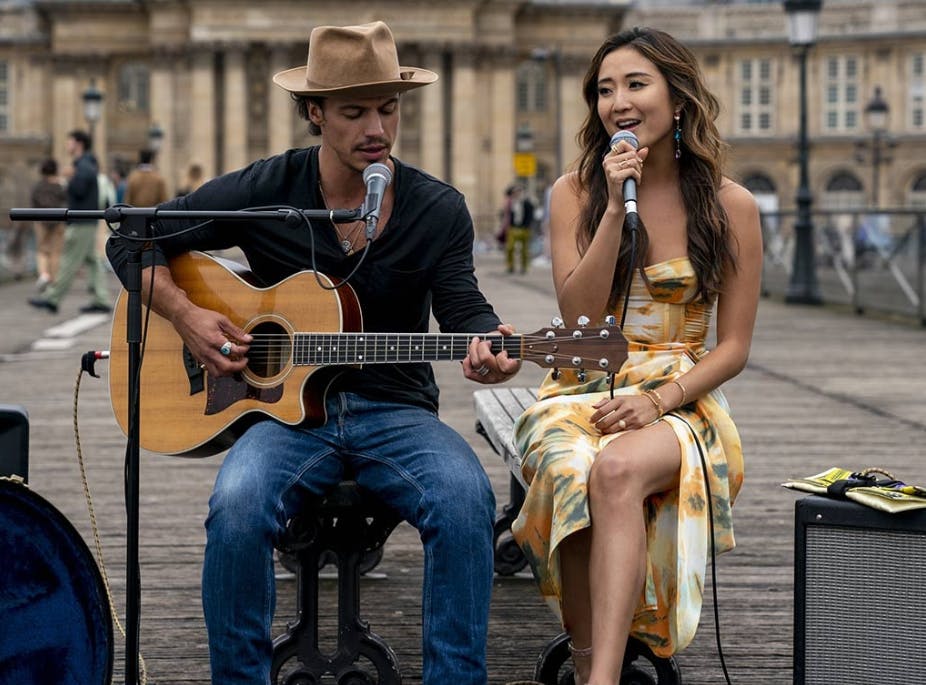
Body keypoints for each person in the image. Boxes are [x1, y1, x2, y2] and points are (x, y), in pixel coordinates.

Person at [105, 21, 521, 685]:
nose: (376, 127)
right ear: (314, 113)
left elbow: (465, 309)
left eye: (387, 108)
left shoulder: (437, 208)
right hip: (283, 417)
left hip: (398, 408)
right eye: (354, 111)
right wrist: (188, 318)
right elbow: (131, 241)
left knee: (465, 497)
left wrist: (493, 345)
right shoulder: (269, 189)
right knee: (236, 504)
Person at [509, 27, 762, 685]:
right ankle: (597, 662)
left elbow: (733, 346)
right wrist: (616, 214)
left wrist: (656, 399)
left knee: (616, 472)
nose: (617, 101)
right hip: (582, 384)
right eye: (603, 89)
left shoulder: (732, 207)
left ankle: (599, 680)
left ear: (677, 99)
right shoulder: (574, 193)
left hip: (681, 396)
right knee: (570, 467)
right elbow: (576, 320)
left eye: (635, 84)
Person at [29, 129, 112, 314]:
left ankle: (52, 298)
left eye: (69, 142)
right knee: (92, 262)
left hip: (81, 220)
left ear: (78, 144)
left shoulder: (83, 166)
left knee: (68, 260)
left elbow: (80, 189)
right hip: (87, 220)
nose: (67, 145)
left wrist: (68, 179)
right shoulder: (86, 164)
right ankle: (101, 299)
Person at [30, 158, 69, 291]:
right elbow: (66, 200)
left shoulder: (38, 186)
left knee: (42, 250)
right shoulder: (59, 185)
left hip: (41, 221)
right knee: (56, 251)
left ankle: (44, 274)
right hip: (58, 221)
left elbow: (33, 201)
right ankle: (54, 279)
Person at [504, 184, 535, 274]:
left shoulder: (527, 203)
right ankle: (510, 266)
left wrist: (527, 226)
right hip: (513, 228)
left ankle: (524, 267)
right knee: (510, 247)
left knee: (524, 250)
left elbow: (530, 215)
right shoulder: (512, 203)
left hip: (524, 228)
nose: (516, 194)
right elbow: (508, 215)